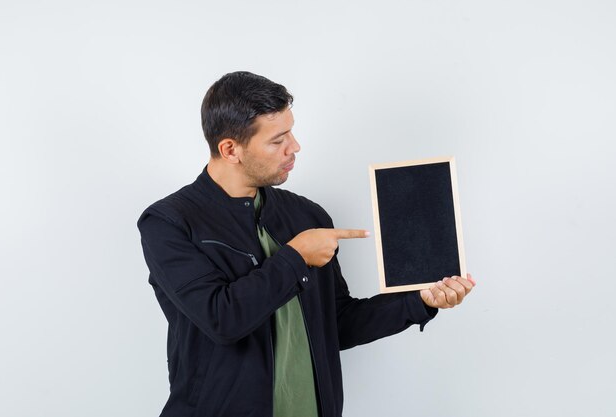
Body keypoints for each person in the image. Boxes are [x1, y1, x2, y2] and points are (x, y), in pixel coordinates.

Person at [137, 71, 475, 417]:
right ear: (230, 149)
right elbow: (222, 320)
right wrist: (297, 257)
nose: (294, 147)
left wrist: (418, 301)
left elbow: (338, 324)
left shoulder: (306, 215)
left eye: (291, 132)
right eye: (277, 140)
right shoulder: (168, 223)